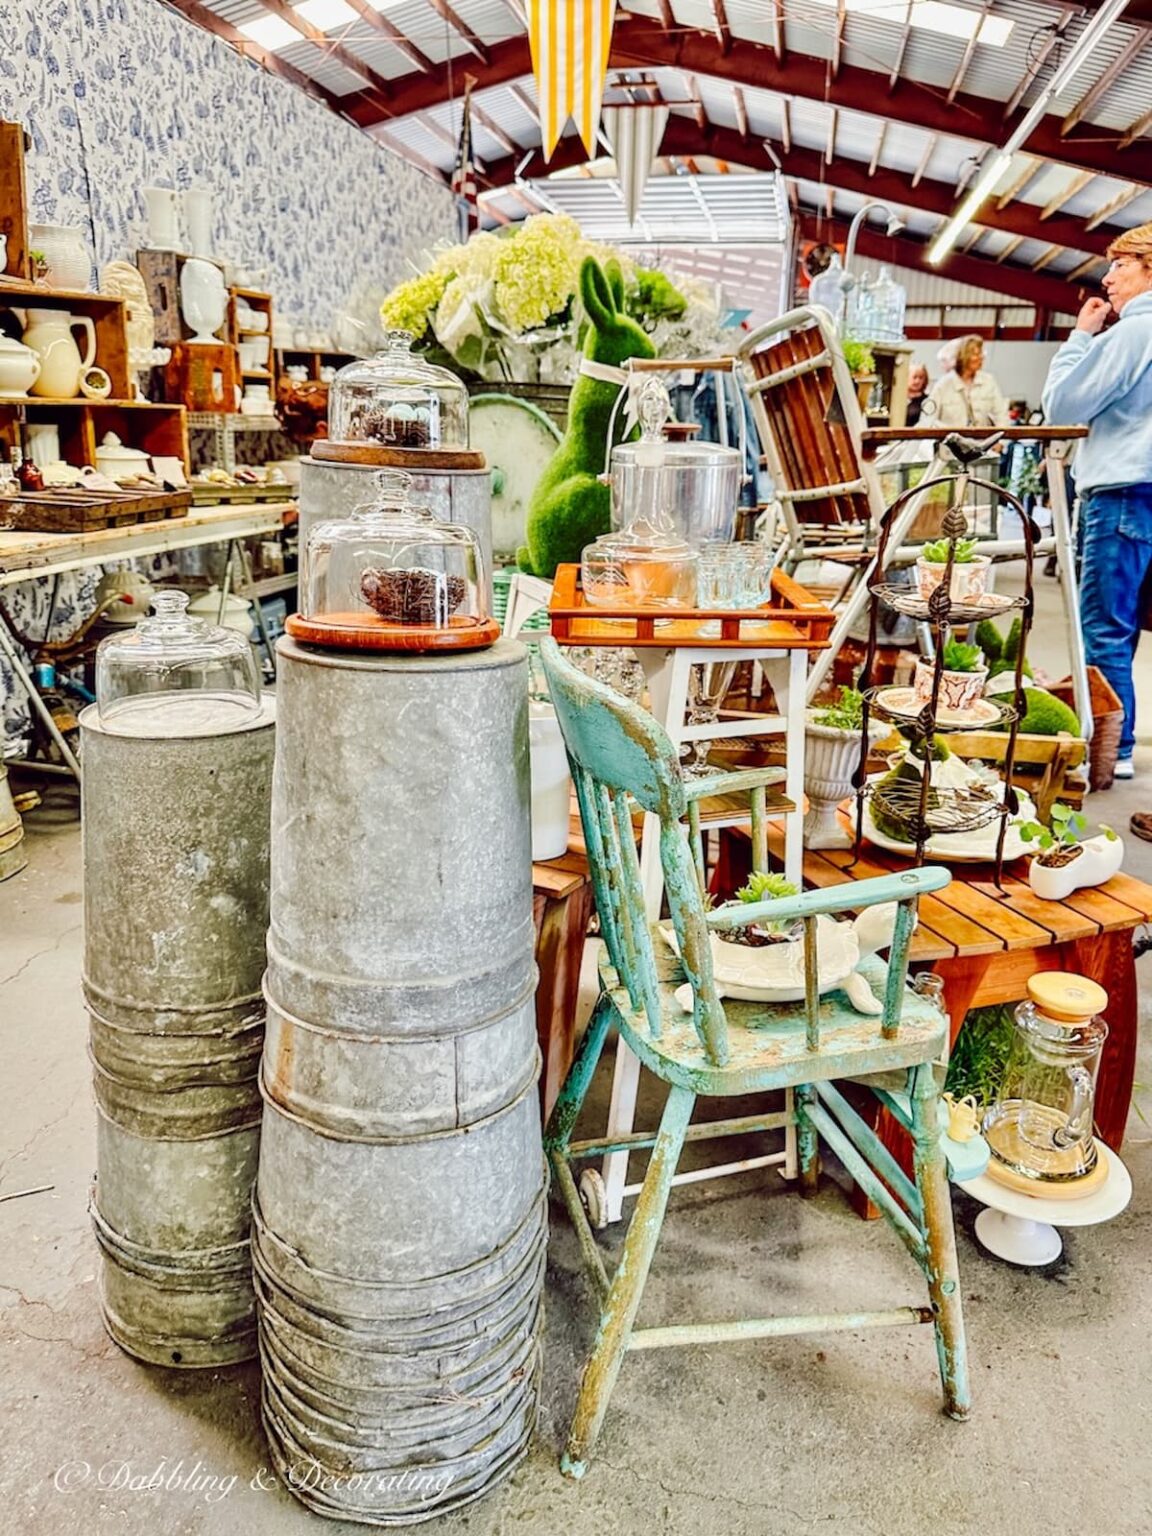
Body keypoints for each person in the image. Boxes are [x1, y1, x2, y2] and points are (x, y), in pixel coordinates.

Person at [1042, 221, 1152, 782]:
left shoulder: (1135, 331)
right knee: (1127, 623)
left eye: (1120, 265)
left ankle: (1109, 748)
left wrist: (1081, 337)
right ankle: (1120, 735)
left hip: (1121, 493)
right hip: (1146, 493)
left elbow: (1062, 404)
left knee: (1103, 627)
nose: (1107, 277)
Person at [925, 335, 1010, 428]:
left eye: (981, 354)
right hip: (950, 440)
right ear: (963, 356)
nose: (981, 358)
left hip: (983, 441)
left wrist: (1001, 441)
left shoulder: (988, 381)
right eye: (976, 354)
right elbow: (928, 419)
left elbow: (1001, 416)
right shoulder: (943, 385)